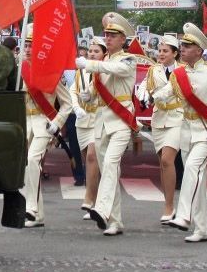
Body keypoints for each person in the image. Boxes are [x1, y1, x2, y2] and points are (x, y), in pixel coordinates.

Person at [158, 23, 207, 243]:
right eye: (182, 45)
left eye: (187, 46)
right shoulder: (179, 73)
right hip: (186, 130)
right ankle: (202, 229)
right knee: (197, 179)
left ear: (199, 50)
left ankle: (183, 216)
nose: (183, 49)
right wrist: (154, 95)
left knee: (191, 168)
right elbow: (168, 91)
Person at [75, 12, 138, 236]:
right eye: (107, 35)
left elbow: (117, 70)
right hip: (101, 121)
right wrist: (87, 96)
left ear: (123, 39)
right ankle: (115, 221)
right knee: (109, 169)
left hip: (120, 119)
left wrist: (90, 63)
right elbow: (96, 89)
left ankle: (101, 209)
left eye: (114, 35)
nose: (109, 38)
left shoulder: (128, 59)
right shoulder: (102, 63)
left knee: (111, 164)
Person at [19, 23, 72, 228]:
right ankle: (36, 214)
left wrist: (56, 123)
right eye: (27, 46)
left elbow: (67, 104)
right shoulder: (21, 70)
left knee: (33, 160)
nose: (29, 49)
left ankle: (30, 208)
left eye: (33, 46)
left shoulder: (51, 72)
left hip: (43, 121)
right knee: (25, 165)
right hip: (25, 122)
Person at [135, 34, 184, 223]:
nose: (161, 54)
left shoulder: (182, 70)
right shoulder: (153, 70)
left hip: (178, 117)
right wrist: (143, 95)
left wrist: (154, 96)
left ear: (175, 53)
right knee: (163, 165)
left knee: (167, 159)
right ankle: (169, 202)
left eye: (165, 51)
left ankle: (169, 206)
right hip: (159, 118)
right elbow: (143, 87)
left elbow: (172, 88)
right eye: (160, 51)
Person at [72, 37, 104, 221]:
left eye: (96, 51)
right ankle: (96, 201)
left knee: (93, 156)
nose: (92, 53)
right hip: (83, 121)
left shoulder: (104, 72)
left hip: (99, 119)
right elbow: (73, 91)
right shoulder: (81, 72)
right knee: (89, 163)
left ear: (103, 54)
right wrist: (76, 107)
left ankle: (89, 199)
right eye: (90, 51)